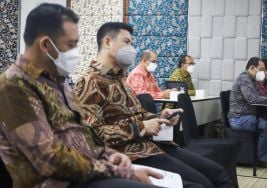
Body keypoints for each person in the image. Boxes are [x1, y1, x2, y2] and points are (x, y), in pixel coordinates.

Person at [0, 4, 162, 188]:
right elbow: (49, 158)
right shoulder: (14, 85)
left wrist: (107, 154)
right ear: (45, 44)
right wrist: (117, 170)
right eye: (71, 45)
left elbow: (85, 133)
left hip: (89, 173)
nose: (76, 51)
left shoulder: (58, 81)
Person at [74, 22, 233, 188]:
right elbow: (91, 136)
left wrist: (159, 118)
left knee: (218, 173)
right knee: (202, 184)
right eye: (127, 42)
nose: (132, 48)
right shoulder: (89, 82)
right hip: (132, 154)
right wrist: (141, 127)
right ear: (107, 42)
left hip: (155, 145)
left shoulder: (119, 79)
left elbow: (138, 114)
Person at [227, 57, 267, 164]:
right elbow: (253, 99)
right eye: (261, 70)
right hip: (239, 119)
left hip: (248, 116)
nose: (264, 73)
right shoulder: (244, 79)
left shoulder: (252, 80)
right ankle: (263, 159)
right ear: (252, 68)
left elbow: (262, 95)